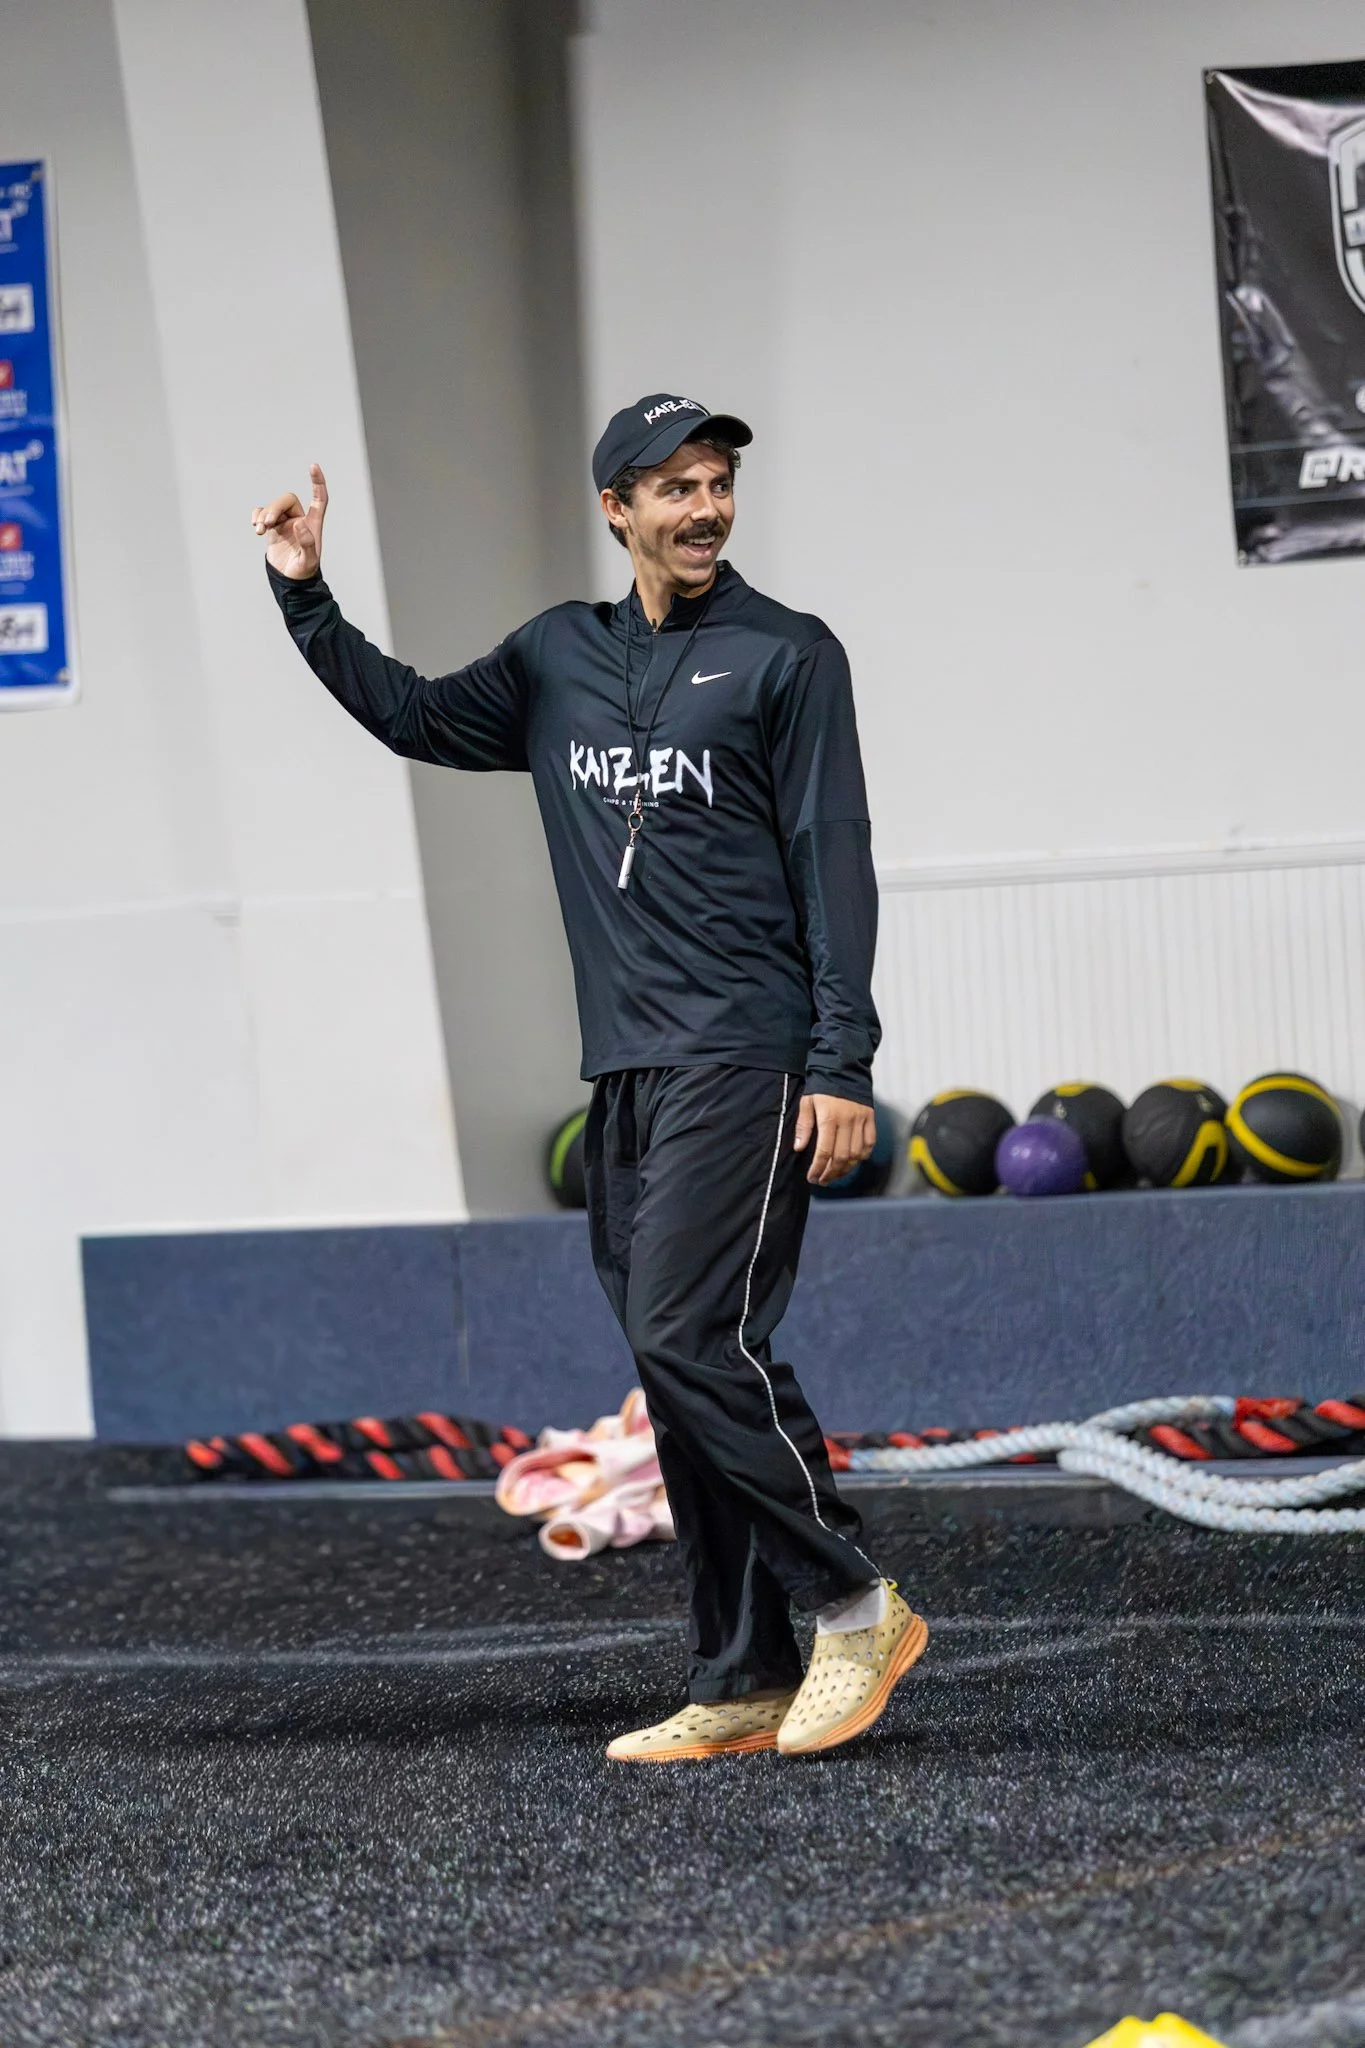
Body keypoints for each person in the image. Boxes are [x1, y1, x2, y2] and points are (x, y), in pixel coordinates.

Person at [251, 393, 928, 1759]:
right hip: (624, 1067)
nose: (705, 508)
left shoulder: (789, 654)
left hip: (745, 1052)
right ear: (617, 509)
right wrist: (305, 593)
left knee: (689, 1334)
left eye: (717, 483)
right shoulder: (557, 654)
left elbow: (833, 858)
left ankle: (857, 1605)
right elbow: (415, 716)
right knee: (677, 1368)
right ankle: (741, 1674)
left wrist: (840, 1060)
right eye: (675, 487)